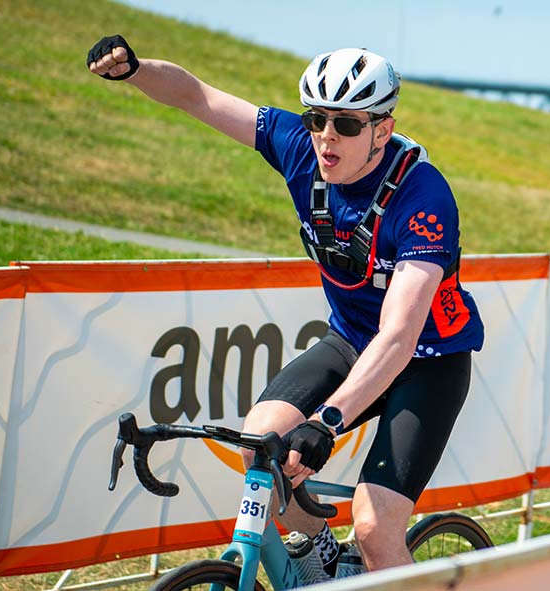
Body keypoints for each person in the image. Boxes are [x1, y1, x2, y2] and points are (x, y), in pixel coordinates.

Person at [87, 36, 484, 578]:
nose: (326, 137)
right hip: (351, 341)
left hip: (425, 361)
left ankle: (366, 556)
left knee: (373, 527)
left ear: (381, 130)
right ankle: (321, 561)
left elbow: (398, 336)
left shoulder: (424, 198)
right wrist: (135, 70)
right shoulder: (300, 148)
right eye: (317, 118)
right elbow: (197, 97)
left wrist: (327, 421)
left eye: (346, 124)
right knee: (261, 447)